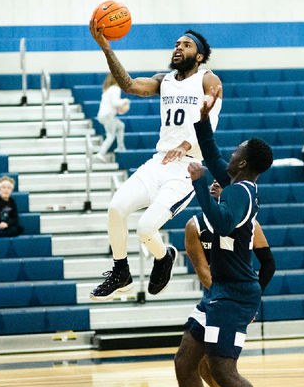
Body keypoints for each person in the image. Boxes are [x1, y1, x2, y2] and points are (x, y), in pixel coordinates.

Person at [169, 88, 297, 387]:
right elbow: (209, 152)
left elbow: (223, 220)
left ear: (243, 162)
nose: (232, 151)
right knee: (184, 362)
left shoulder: (242, 192)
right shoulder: (235, 182)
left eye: (237, 149)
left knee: (223, 368)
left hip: (236, 294)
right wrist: (204, 117)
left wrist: (198, 182)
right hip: (219, 292)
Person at [88, 19, 222, 300]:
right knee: (116, 208)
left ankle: (164, 257)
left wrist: (189, 139)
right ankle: (121, 272)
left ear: (198, 56)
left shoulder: (207, 79)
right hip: (159, 161)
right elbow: (129, 85)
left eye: (186, 45)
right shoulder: (166, 80)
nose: (178, 48)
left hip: (187, 168)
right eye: (176, 44)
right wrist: (106, 49)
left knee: (146, 228)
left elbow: (211, 116)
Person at [184, 180, 275, 387]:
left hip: (235, 299)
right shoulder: (195, 225)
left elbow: (268, 264)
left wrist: (251, 300)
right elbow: (203, 271)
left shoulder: (249, 224)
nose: (215, 186)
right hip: (215, 296)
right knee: (201, 366)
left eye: (222, 184)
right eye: (211, 182)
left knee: (218, 363)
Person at [94, 73, 130, 161]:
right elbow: (115, 102)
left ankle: (121, 146)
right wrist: (125, 101)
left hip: (105, 115)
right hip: (107, 115)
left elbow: (111, 104)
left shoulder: (109, 89)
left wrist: (118, 109)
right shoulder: (115, 88)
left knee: (121, 125)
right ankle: (100, 153)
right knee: (110, 135)